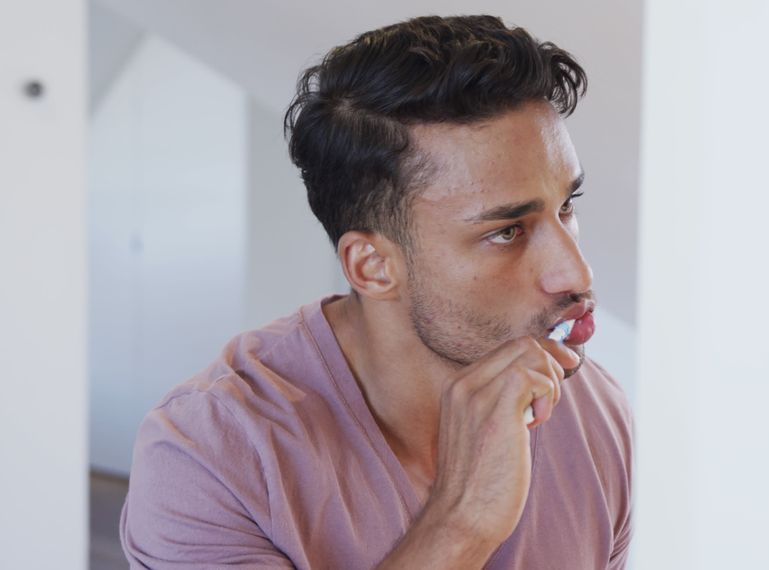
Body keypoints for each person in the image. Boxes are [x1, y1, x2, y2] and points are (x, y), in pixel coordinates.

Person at [120, 14, 633, 569]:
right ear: (372, 267)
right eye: (505, 232)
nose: (576, 275)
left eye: (566, 208)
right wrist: (463, 522)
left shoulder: (593, 411)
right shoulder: (207, 459)